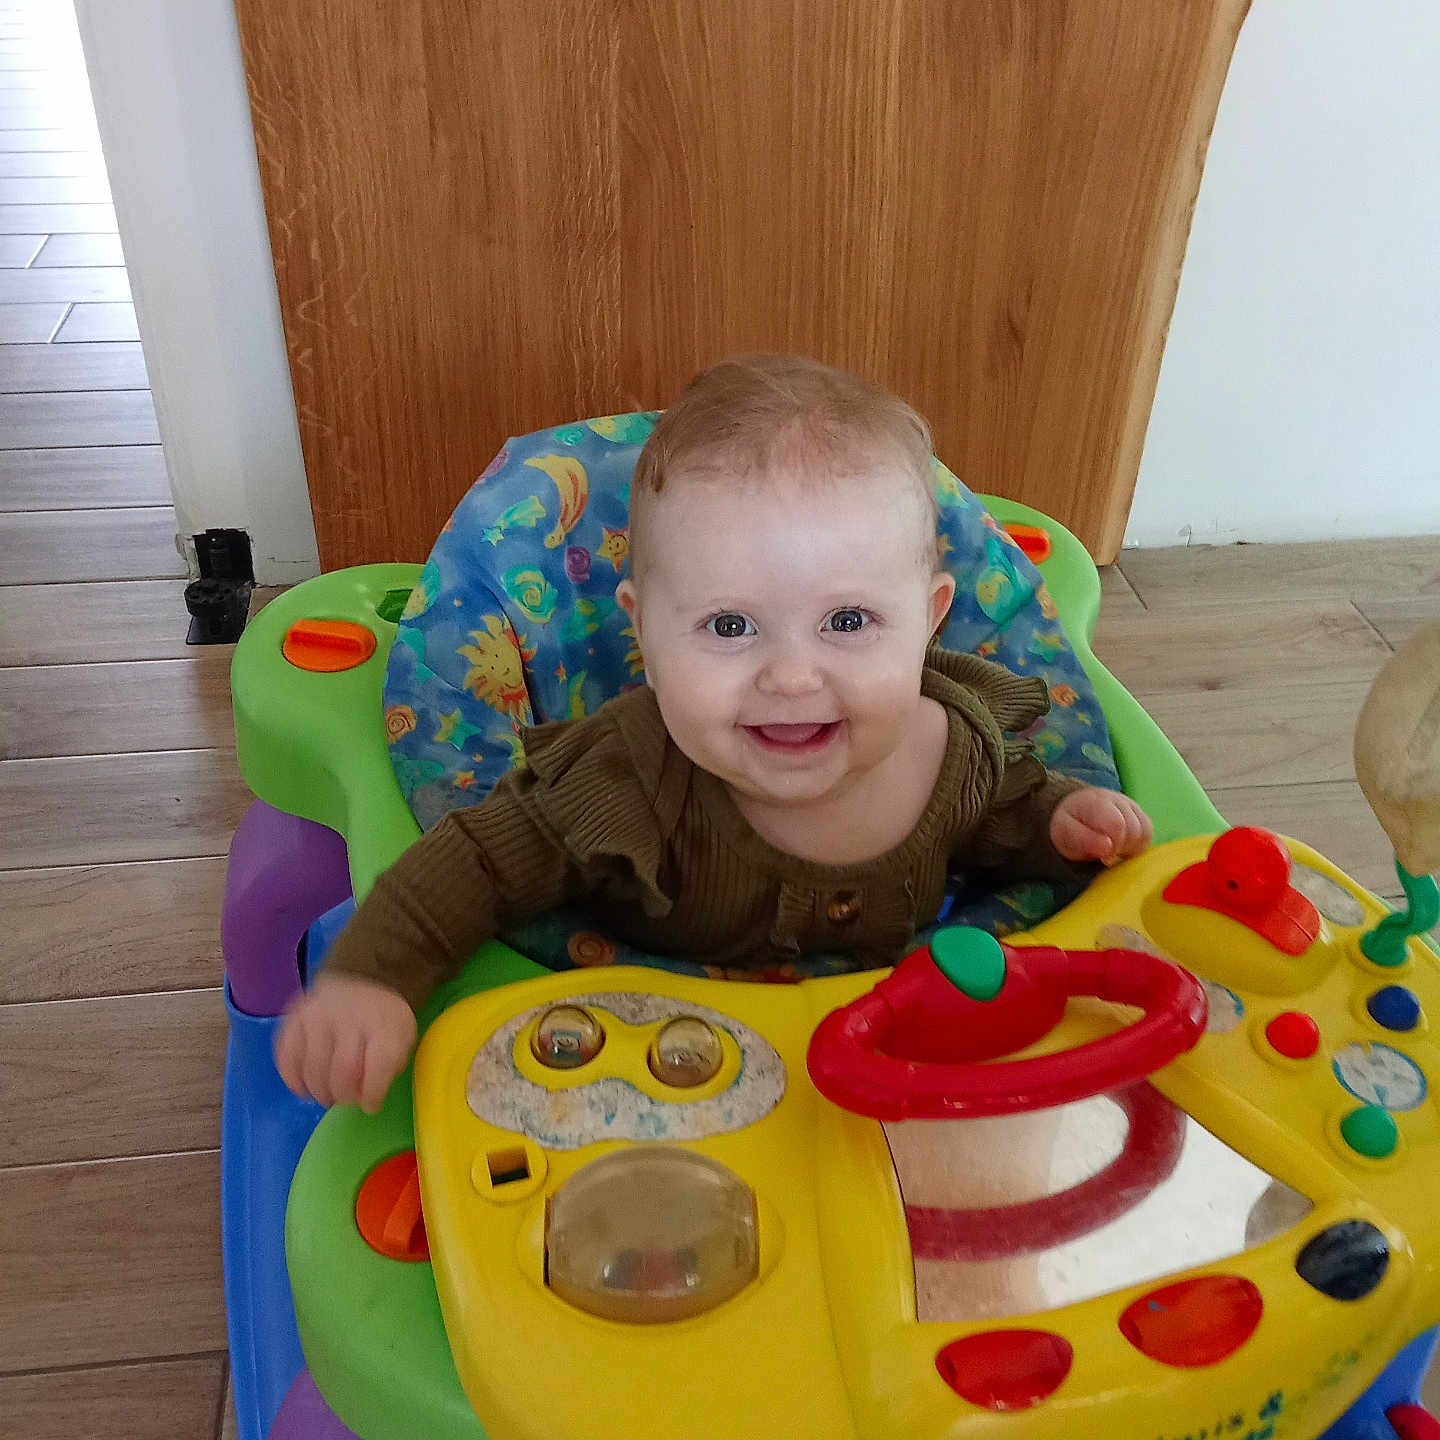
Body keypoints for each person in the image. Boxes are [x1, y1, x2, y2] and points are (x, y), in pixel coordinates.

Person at [275, 355, 1153, 1113]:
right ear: (645, 637)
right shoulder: (619, 781)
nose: (793, 676)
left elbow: (1014, 811)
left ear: (927, 624)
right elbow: (468, 865)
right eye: (731, 628)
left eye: (848, 620)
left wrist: (1066, 822)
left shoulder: (953, 748)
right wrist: (370, 979)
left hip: (904, 1070)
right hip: (654, 1077)